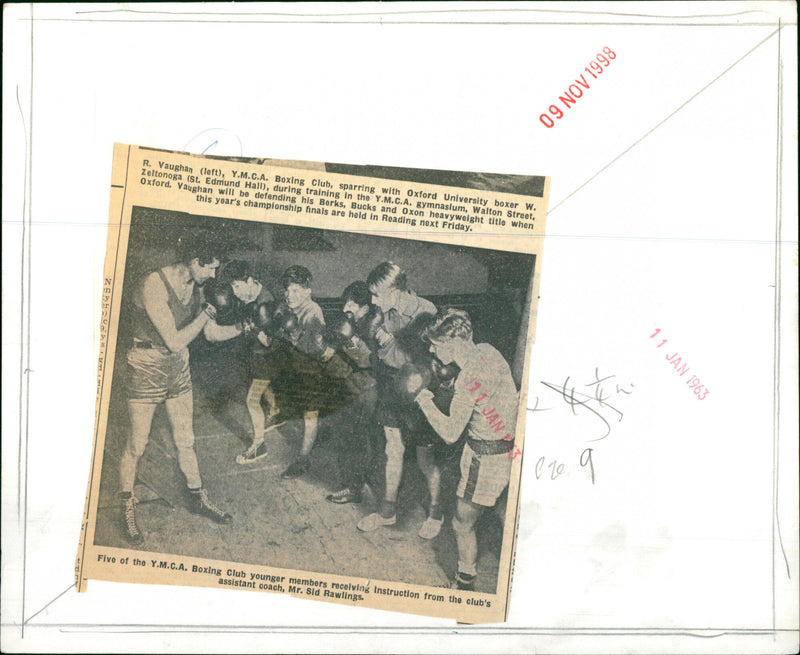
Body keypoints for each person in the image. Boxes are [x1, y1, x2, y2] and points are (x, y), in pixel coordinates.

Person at [119, 231, 236, 545]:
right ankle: (127, 506)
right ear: (196, 261)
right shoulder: (153, 284)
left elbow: (210, 335)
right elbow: (172, 341)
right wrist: (207, 312)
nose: (214, 275)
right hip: (146, 363)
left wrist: (245, 326)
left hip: (178, 367)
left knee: (186, 438)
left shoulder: (198, 288)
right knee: (137, 443)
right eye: (210, 268)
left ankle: (198, 496)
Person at [414, 308, 518, 591]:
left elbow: (449, 434)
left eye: (436, 344)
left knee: (461, 523)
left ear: (454, 342)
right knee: (502, 512)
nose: (433, 352)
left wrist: (423, 401)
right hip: (510, 450)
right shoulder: (488, 351)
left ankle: (464, 582)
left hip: (484, 458)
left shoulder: (468, 380)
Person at [356, 262, 442, 539]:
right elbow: (383, 352)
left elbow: (415, 355)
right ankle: (387, 512)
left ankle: (436, 512)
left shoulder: (425, 311)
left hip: (418, 386)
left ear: (396, 290)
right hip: (391, 383)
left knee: (425, 455)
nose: (373, 300)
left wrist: (389, 340)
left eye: (378, 294)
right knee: (393, 449)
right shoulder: (382, 311)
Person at [323, 281, 379, 504]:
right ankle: (355, 483)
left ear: (364, 308)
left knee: (358, 440)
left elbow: (369, 361)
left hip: (366, 390)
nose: (347, 307)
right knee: (347, 437)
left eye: (353, 304)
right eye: (346, 302)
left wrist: (352, 342)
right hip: (348, 387)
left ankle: (354, 487)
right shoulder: (345, 322)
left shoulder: (372, 326)